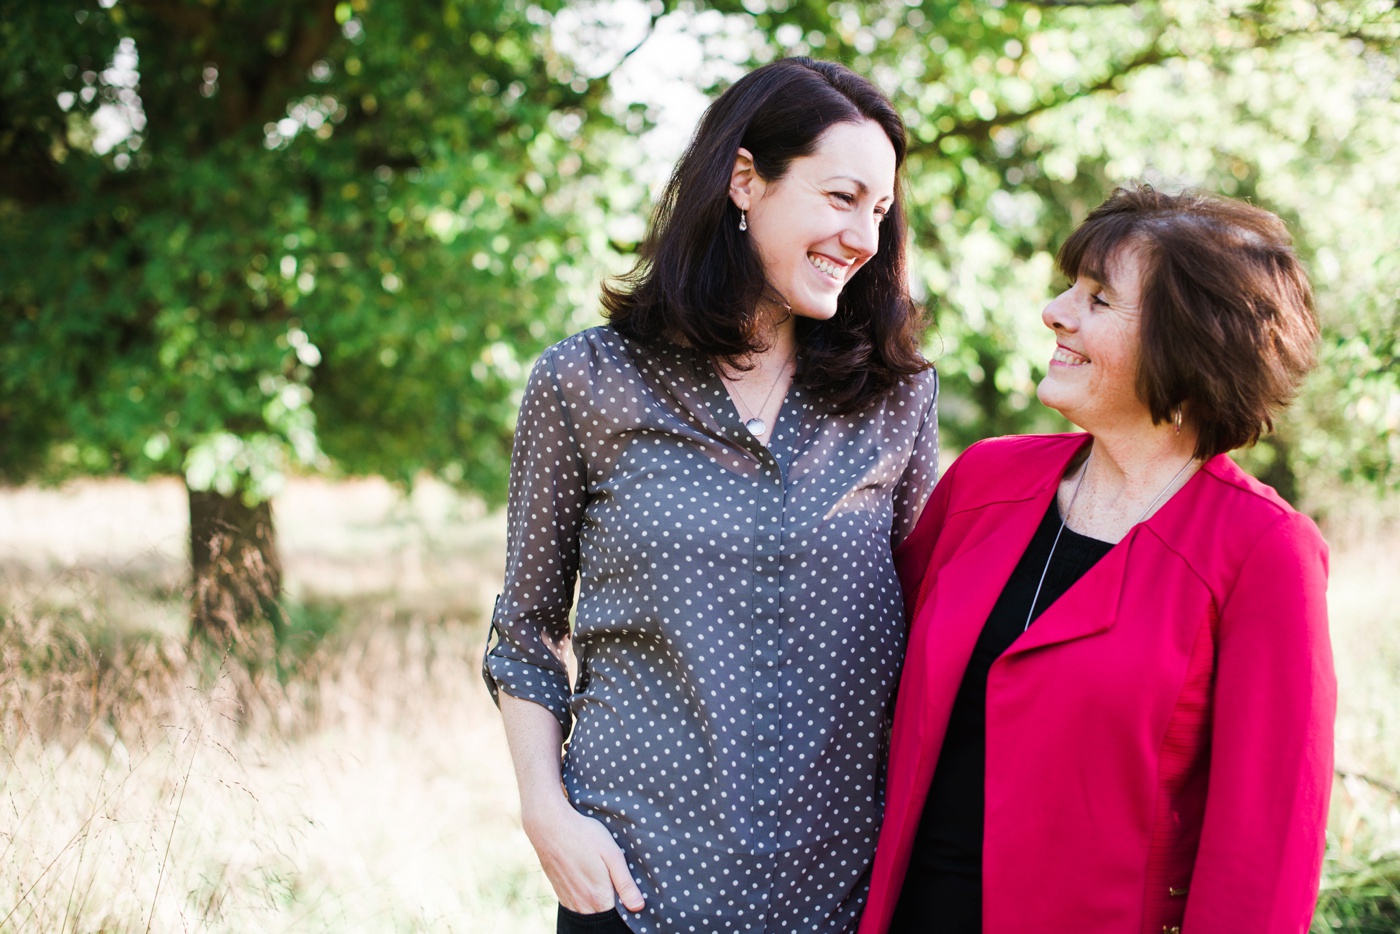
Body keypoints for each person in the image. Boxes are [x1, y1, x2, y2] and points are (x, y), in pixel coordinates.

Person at [482, 57, 940, 934]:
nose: (865, 238)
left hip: (839, 898)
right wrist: (546, 815)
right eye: (842, 198)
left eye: (880, 212)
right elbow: (526, 634)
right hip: (633, 888)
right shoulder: (586, 381)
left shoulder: (895, 397)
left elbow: (931, 635)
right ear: (744, 180)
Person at [860, 184, 1336, 934]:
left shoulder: (1264, 552)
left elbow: (1262, 856)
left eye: (1098, 299)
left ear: (1191, 341)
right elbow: (859, 690)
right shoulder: (984, 481)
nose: (1055, 310)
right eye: (1069, 288)